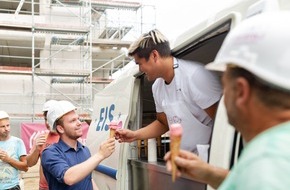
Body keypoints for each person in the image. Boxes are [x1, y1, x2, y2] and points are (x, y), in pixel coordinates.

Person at [164, 11, 290, 189]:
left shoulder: (265, 165)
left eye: (224, 87)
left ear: (240, 91)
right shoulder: (275, 156)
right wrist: (208, 173)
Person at [115, 29, 222, 153]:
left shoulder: (194, 76)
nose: (140, 69)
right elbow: (163, 123)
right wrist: (134, 135)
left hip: (209, 159)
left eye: (140, 63)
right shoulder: (157, 87)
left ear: (154, 55)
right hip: (183, 159)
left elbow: (222, 120)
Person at [41, 100, 115, 190]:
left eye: (78, 119)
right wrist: (100, 155)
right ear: (60, 128)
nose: (79, 123)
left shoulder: (85, 150)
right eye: (72, 121)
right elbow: (68, 178)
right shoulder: (50, 153)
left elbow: (88, 179)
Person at [26, 100, 59, 190]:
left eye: (50, 119)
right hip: (44, 187)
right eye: (46, 119)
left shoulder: (69, 138)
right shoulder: (41, 139)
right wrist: (36, 150)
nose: (48, 123)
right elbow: (29, 163)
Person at [0, 110, 28, 190]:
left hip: (12, 187)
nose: (6, 129)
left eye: (8, 125)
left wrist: (8, 159)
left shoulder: (17, 142)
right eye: (2, 126)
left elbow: (25, 167)